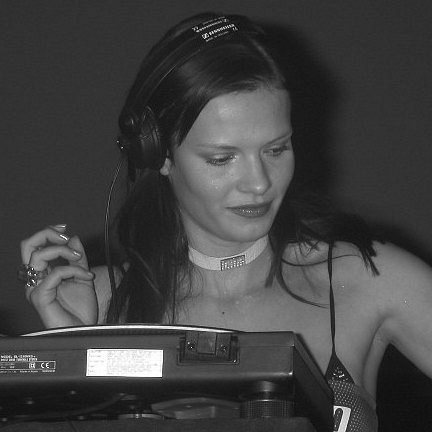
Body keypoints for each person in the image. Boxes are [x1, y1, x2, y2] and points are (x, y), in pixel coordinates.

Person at [19, 12, 432, 432]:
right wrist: (73, 358)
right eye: (222, 158)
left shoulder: (367, 279)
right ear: (159, 155)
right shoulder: (102, 303)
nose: (259, 183)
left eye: (276, 149)